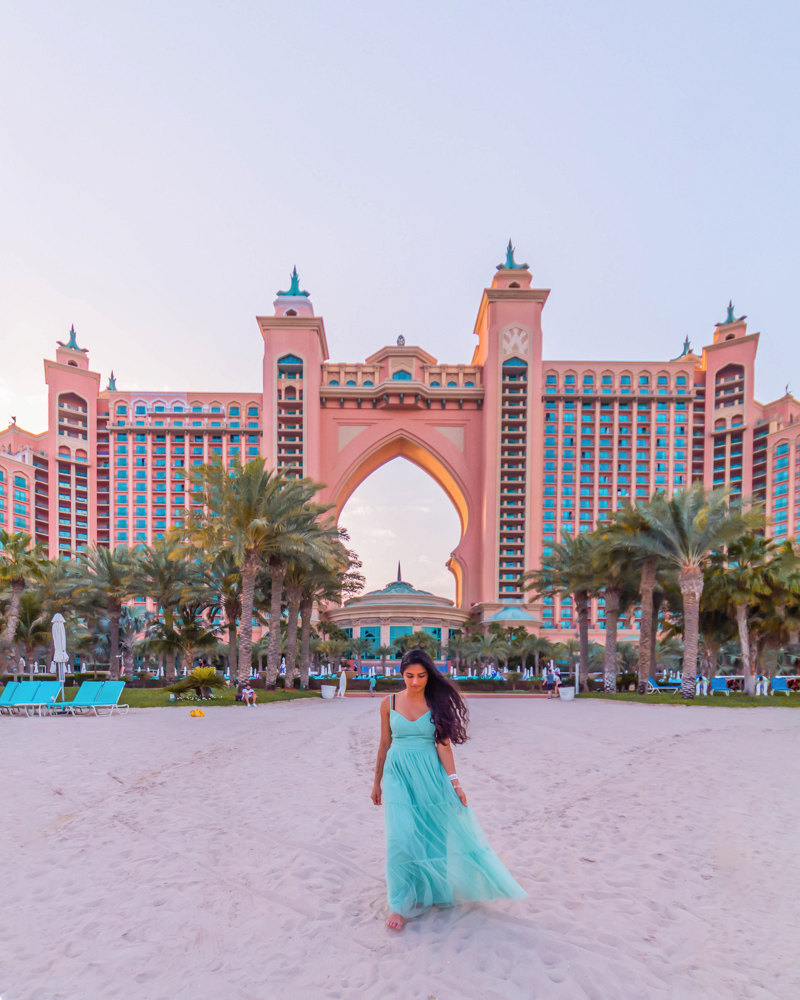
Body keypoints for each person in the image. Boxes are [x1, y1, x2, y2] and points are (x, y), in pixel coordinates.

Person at [371, 648, 526, 931]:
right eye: (409, 676)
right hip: (397, 773)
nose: (415, 681)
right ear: (401, 674)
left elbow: (443, 745)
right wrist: (376, 782)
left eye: (421, 675)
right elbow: (384, 743)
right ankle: (399, 904)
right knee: (400, 837)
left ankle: (434, 889)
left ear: (429, 675)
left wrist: (455, 782)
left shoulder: (436, 703)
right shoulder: (388, 702)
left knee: (434, 835)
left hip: (430, 773)